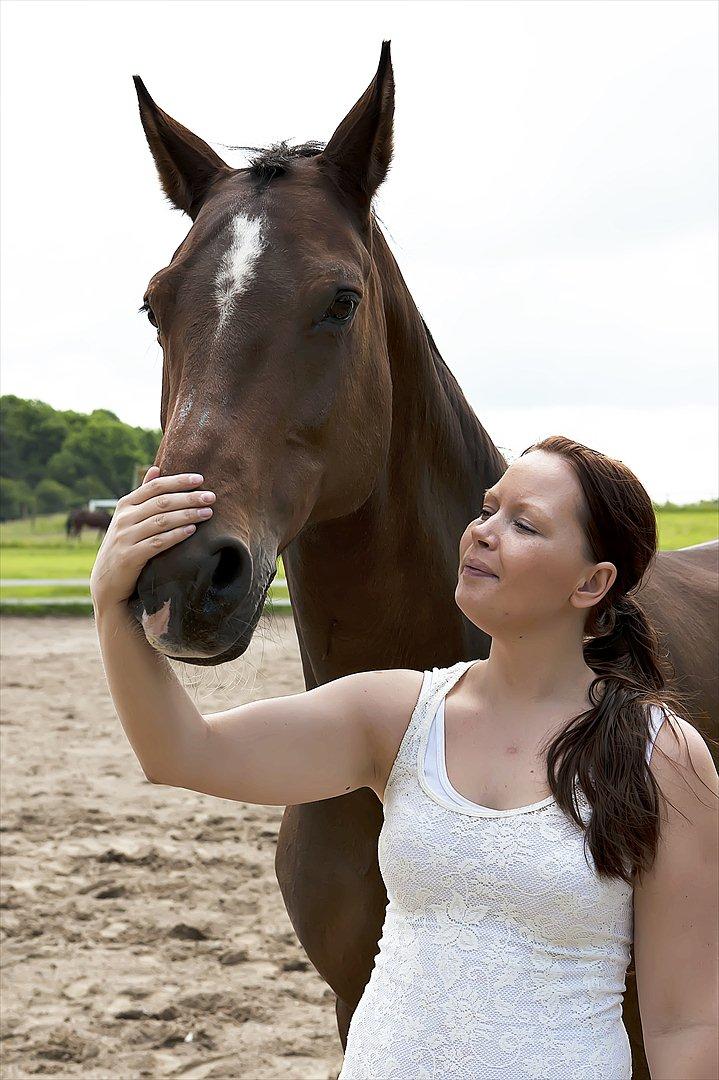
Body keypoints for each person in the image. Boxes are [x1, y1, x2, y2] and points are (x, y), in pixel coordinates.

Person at [90, 435, 718, 1080]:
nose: (481, 534)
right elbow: (182, 751)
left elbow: (687, 1024)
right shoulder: (395, 714)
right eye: (486, 510)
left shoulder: (662, 757)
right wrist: (112, 602)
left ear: (593, 581)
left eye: (523, 524)